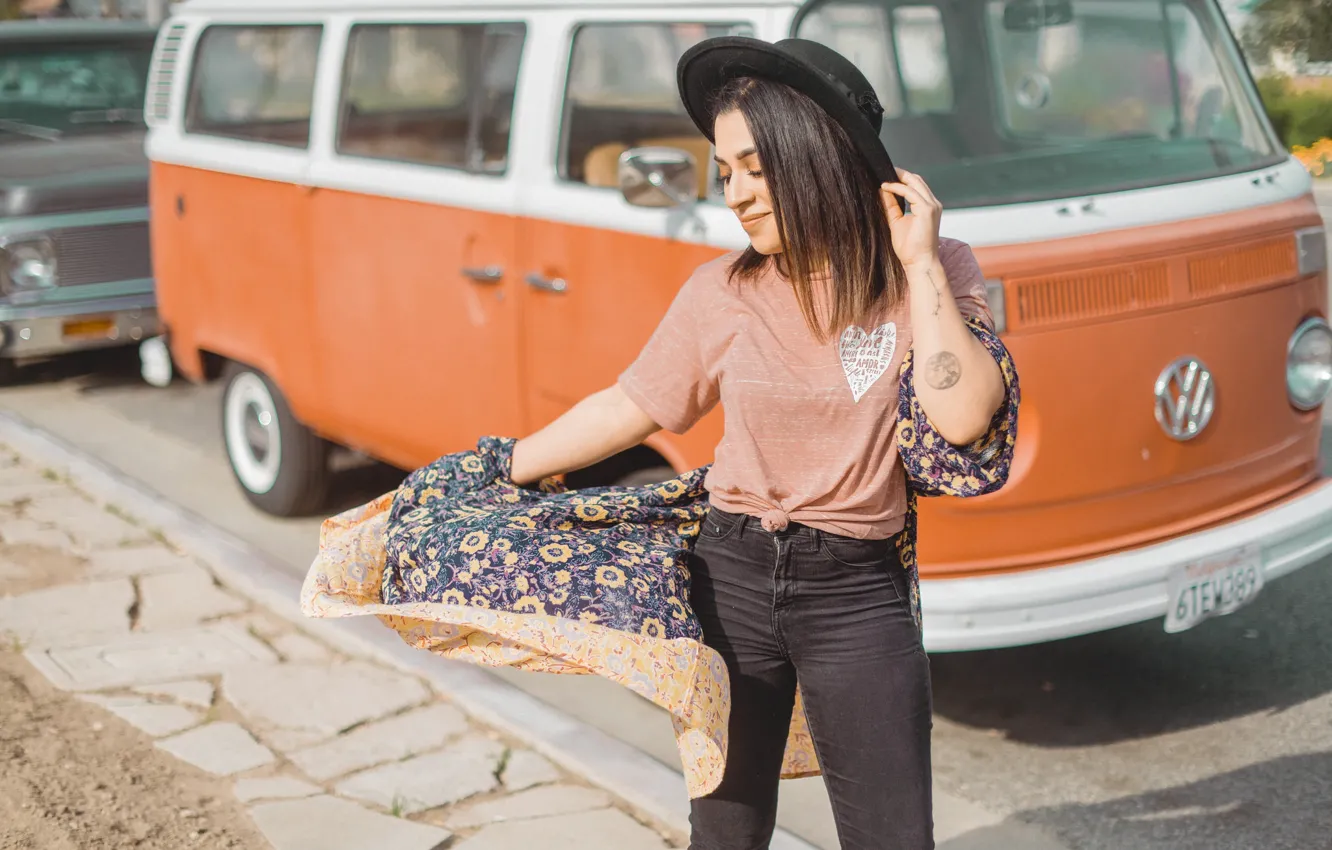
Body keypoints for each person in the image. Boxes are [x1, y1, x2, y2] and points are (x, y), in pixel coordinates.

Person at [507, 37, 1009, 850]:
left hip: (856, 593)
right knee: (726, 836)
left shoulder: (934, 270)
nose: (734, 195)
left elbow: (963, 417)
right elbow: (633, 404)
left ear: (813, 154)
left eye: (752, 167)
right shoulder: (722, 290)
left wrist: (917, 264)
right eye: (725, 172)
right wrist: (501, 466)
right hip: (730, 573)